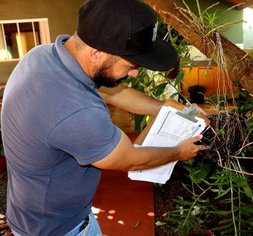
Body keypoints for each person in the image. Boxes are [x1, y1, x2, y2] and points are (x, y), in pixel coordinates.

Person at [1, 0, 207, 235]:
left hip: (32, 212)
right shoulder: (78, 112)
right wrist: (179, 152)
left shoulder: (43, 56)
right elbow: (131, 159)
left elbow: (114, 93)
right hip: (58, 228)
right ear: (97, 53)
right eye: (131, 64)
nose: (135, 72)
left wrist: (166, 108)